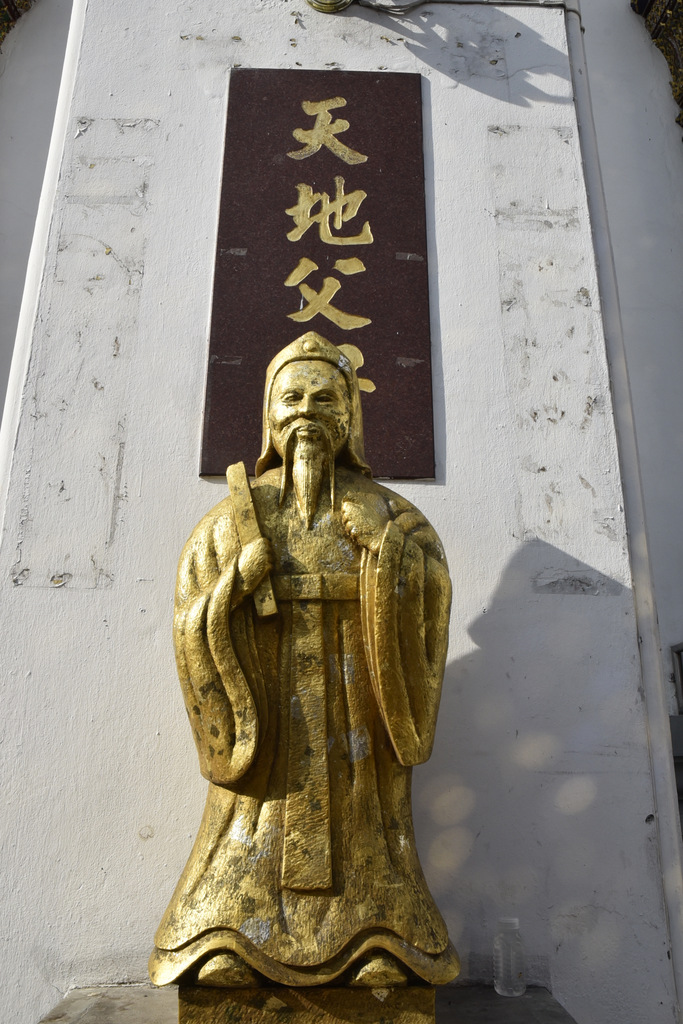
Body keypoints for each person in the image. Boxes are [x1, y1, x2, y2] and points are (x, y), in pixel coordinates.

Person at [149, 332, 459, 988]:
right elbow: (188, 619)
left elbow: (431, 598)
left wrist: (387, 554)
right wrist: (235, 584)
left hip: (357, 722)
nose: (306, 412)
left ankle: (382, 940)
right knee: (249, 826)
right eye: (291, 398)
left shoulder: (391, 515)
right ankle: (225, 939)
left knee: (367, 828)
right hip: (268, 720)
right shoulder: (231, 521)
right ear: (268, 415)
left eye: (325, 398)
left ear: (349, 416)